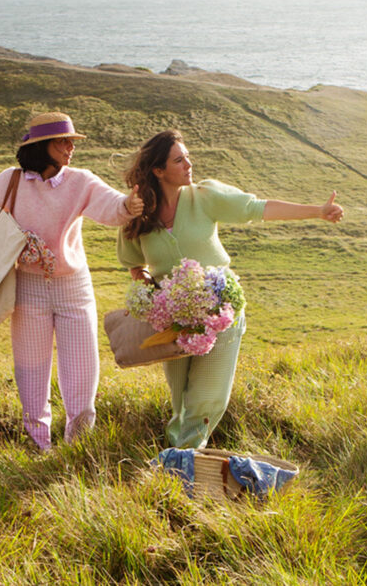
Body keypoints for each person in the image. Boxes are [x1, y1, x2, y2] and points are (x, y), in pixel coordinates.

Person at [0, 112, 143, 451]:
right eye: (63, 142)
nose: (71, 148)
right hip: (29, 288)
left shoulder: (80, 181)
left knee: (82, 371)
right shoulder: (11, 181)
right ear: (41, 147)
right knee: (31, 373)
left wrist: (128, 204)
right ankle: (39, 447)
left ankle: (78, 448)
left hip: (73, 287)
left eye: (72, 141)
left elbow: (111, 207)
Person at [117, 130, 343, 449]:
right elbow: (133, 263)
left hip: (219, 310)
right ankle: (177, 455)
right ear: (158, 170)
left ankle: (183, 460)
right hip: (174, 321)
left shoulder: (205, 195)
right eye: (179, 160)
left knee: (207, 395)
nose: (188, 164)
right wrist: (153, 296)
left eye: (187, 156)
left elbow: (257, 208)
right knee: (180, 397)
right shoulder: (140, 211)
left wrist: (317, 211)